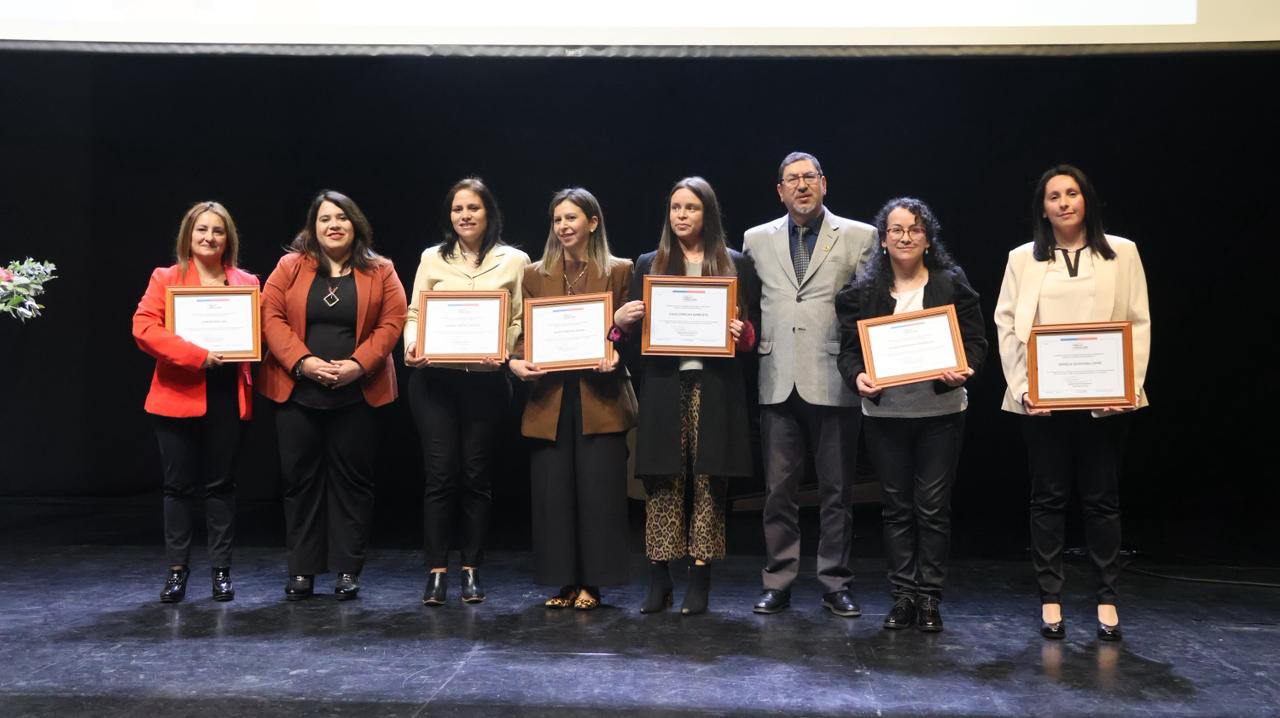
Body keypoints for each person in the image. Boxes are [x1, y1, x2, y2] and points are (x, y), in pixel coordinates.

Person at [994, 164, 1150, 642]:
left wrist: (1127, 385)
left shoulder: (1122, 252)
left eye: (1072, 193)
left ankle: (1107, 597)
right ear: (1043, 208)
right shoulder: (1022, 258)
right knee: (1048, 498)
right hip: (1044, 403)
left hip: (1104, 401)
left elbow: (1138, 321)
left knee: (1102, 500)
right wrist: (1023, 388)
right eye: (1054, 196)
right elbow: (1006, 325)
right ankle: (1050, 596)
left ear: (1087, 200)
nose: (1063, 202)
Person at [835, 197, 987, 632]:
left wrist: (965, 368)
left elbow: (975, 342)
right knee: (896, 509)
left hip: (941, 413)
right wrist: (857, 377)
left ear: (928, 239)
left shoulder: (950, 282)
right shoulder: (863, 291)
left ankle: (930, 599)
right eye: (897, 230)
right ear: (883, 240)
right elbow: (848, 352)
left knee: (933, 509)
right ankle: (903, 596)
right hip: (886, 416)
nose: (906, 237)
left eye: (915, 229)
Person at [614, 176, 759, 615]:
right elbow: (623, 338)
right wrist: (620, 322)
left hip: (716, 387)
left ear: (707, 213)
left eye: (691, 208)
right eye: (676, 207)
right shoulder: (649, 263)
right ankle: (659, 577)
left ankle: (700, 576)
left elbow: (753, 334)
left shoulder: (735, 263)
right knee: (662, 479)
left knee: (710, 481)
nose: (681, 215)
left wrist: (743, 334)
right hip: (664, 384)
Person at [742, 151, 876, 616]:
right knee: (778, 490)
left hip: (834, 376)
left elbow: (870, 309)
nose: (801, 185)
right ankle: (778, 580)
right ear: (780, 191)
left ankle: (835, 582)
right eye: (792, 180)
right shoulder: (756, 240)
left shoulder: (860, 236)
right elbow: (748, 306)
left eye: (809, 177)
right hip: (777, 377)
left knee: (837, 490)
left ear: (824, 183)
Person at [259, 189, 407, 602]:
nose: (334, 225)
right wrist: (303, 361)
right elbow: (270, 316)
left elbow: (392, 322)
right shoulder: (290, 266)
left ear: (355, 224)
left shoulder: (382, 270)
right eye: (325, 219)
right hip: (297, 390)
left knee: (352, 483)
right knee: (299, 481)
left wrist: (359, 365)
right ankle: (302, 569)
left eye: (341, 217)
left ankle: (347, 570)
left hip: (357, 392)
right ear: (313, 226)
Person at [508, 187, 637, 610]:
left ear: (593, 223)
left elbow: (629, 334)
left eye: (572, 218)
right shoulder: (535, 274)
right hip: (550, 397)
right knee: (554, 494)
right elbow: (526, 335)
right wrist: (517, 361)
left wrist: (614, 344)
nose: (563, 226)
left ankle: (593, 584)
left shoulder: (619, 270)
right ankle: (564, 582)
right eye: (557, 219)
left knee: (599, 492)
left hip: (600, 395)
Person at [404, 177, 530, 606]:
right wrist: (412, 345)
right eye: (458, 209)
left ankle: (471, 568)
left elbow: (519, 319)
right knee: (441, 476)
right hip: (435, 383)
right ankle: (436, 570)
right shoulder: (431, 258)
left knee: (476, 477)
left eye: (473, 208)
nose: (465, 215)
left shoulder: (515, 261)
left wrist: (505, 350)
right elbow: (415, 312)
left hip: (487, 383)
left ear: (489, 212)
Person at [133, 201, 258, 603]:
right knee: (178, 488)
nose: (209, 237)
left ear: (228, 238)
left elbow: (258, 334)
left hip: (227, 395)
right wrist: (196, 355)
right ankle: (177, 571)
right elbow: (144, 327)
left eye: (217, 231)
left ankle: (221, 571)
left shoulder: (246, 282)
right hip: (177, 395)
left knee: (221, 486)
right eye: (201, 229)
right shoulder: (166, 277)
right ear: (188, 236)